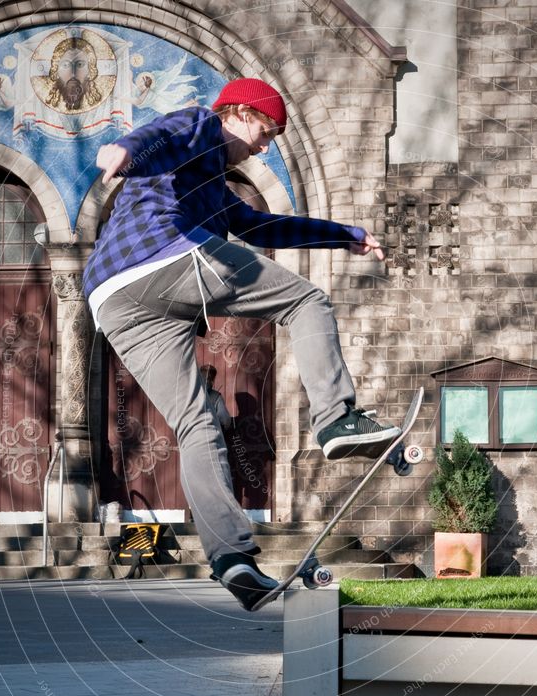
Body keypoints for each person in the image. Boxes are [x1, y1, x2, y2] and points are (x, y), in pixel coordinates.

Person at [84, 77, 401, 610]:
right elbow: (164, 132)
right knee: (307, 301)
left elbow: (262, 227)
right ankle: (335, 418)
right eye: (265, 130)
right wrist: (125, 149)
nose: (265, 145)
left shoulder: (213, 191)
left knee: (197, 423)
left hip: (113, 302)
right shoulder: (203, 124)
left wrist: (343, 235)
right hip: (160, 257)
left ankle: (231, 558)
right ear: (238, 114)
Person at [199, 364, 232, 434]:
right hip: (211, 436)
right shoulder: (216, 396)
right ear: (212, 380)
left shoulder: (190, 394)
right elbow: (225, 420)